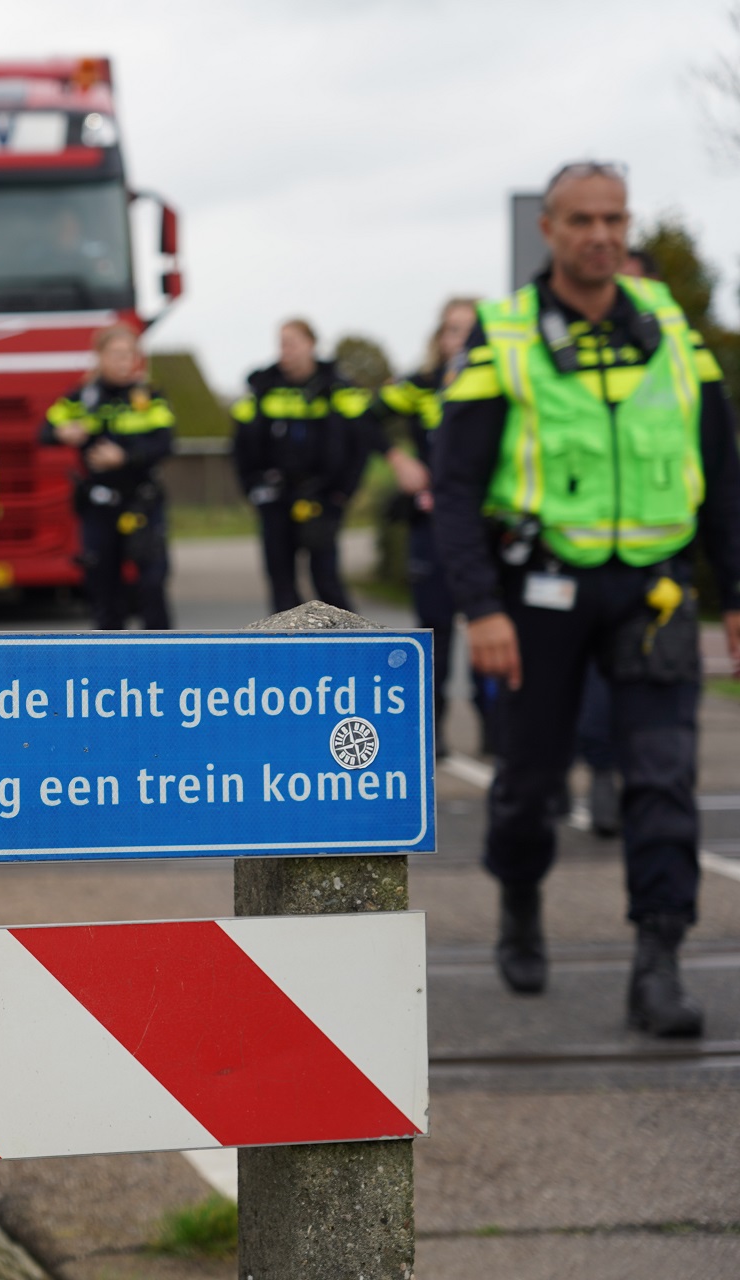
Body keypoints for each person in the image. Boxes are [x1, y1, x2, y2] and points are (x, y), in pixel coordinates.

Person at [433, 161, 740, 1037]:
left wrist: (734, 591)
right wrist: (482, 608)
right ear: (551, 230)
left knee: (662, 779)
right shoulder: (502, 336)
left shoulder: (671, 329)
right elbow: (456, 488)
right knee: (529, 781)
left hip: (654, 592)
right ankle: (520, 899)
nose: (601, 235)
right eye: (582, 220)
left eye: (615, 219)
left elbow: (722, 471)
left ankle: (659, 963)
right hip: (540, 594)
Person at [566, 248, 665, 833]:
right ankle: (601, 772)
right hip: (580, 561)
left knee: (660, 697)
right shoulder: (563, 354)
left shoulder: (673, 354)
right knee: (596, 682)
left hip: (659, 563)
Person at [377, 298, 484, 754]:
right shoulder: (420, 385)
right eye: (451, 329)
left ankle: (498, 736)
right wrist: (399, 460)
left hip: (486, 527)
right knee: (434, 629)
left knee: (488, 623)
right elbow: (364, 416)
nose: (459, 339)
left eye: (469, 329)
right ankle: (431, 732)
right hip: (433, 525)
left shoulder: (500, 382)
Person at [232, 319, 377, 614]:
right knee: (281, 582)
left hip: (323, 497)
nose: (286, 350)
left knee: (326, 580)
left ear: (311, 344)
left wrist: (342, 493)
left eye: (293, 343)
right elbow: (241, 445)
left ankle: (348, 639)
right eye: (282, 343)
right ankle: (286, 642)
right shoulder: (263, 388)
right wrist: (253, 487)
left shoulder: (337, 386)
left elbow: (360, 444)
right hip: (276, 497)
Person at [40, 324, 176, 628]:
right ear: (99, 356)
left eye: (129, 354)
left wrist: (124, 457)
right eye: (116, 354)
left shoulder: (150, 396)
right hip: (99, 506)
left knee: (152, 582)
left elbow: (166, 443)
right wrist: (63, 432)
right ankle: (110, 653)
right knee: (102, 586)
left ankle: (160, 651)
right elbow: (45, 431)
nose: (123, 361)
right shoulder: (82, 397)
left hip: (141, 502)